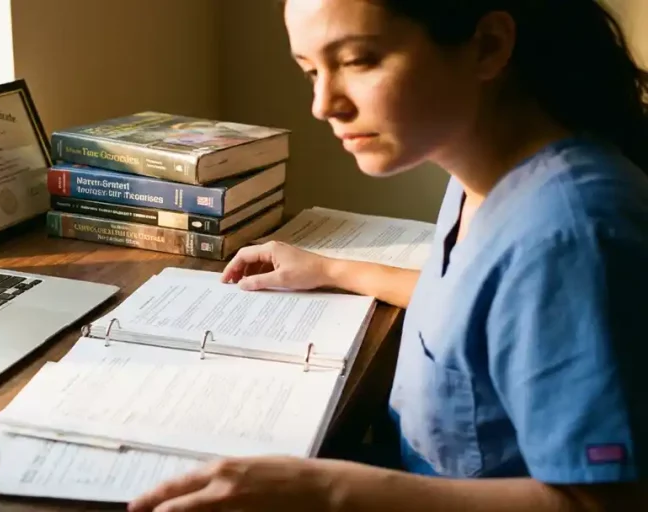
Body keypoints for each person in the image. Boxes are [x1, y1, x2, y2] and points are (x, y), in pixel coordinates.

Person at [129, 0, 648, 510]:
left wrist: (331, 492)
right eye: (311, 71)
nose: (323, 104)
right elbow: (480, 305)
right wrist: (331, 268)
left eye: (357, 61)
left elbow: (607, 501)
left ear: (488, 47)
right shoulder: (483, 177)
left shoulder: (570, 235)